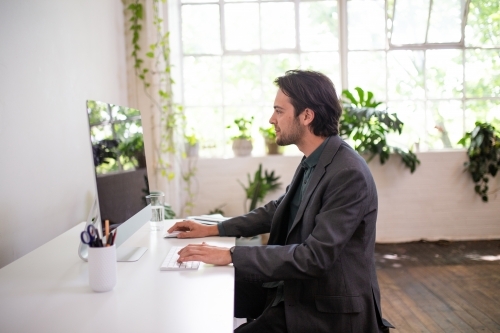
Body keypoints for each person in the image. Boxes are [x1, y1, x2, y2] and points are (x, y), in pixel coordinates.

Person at [168, 70, 394, 333]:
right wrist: (215, 228)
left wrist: (230, 254)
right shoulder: (315, 159)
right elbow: (279, 209)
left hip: (326, 309)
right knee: (205, 290)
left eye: (279, 111)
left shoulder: (348, 173)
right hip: (293, 287)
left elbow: (314, 257)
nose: (271, 119)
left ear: (307, 116)